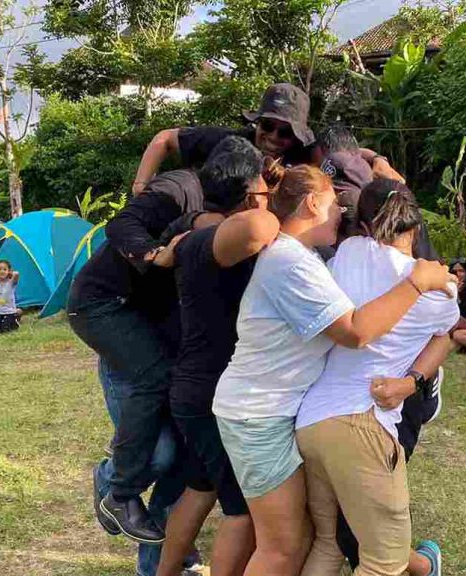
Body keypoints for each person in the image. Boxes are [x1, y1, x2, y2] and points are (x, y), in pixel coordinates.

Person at [212, 165, 455, 576]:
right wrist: (418, 280)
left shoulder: (330, 257)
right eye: (333, 203)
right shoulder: (291, 263)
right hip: (265, 415)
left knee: (311, 543)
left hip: (298, 416)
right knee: (285, 549)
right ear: (312, 203)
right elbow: (356, 331)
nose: (339, 213)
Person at [66, 136, 261, 558]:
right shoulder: (177, 189)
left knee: (177, 454)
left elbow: (200, 231)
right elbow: (121, 226)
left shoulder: (208, 217)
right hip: (105, 306)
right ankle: (117, 487)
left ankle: (168, 555)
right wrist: (155, 255)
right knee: (158, 440)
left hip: (150, 323)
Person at [296, 180, 458, 576]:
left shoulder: (348, 252)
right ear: (417, 227)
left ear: (364, 228)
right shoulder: (438, 293)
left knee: (328, 545)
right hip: (362, 423)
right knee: (384, 563)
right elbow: (446, 336)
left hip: (312, 422)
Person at [157, 148, 279, 576]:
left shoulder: (191, 239)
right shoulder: (215, 240)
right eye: (264, 189)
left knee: (199, 486)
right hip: (213, 392)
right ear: (247, 196)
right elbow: (260, 227)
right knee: (243, 508)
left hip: (194, 386)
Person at [131, 83, 403, 196]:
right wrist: (141, 185)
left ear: (296, 135)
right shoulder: (233, 144)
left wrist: (380, 161)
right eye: (267, 125)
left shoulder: (305, 153)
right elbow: (165, 138)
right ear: (257, 122)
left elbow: (348, 154)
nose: (273, 137)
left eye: (284, 132)